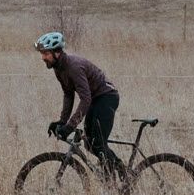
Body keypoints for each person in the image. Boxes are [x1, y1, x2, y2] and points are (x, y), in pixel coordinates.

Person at [35, 31, 127, 181]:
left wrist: (70, 126)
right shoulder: (58, 68)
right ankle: (111, 175)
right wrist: (62, 122)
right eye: (42, 53)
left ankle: (120, 174)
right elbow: (68, 95)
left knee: (97, 142)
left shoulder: (74, 67)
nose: (42, 57)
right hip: (95, 99)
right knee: (90, 144)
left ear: (57, 52)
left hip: (106, 98)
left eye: (45, 53)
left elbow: (85, 99)